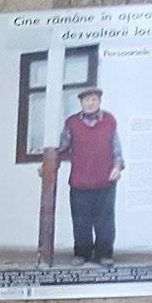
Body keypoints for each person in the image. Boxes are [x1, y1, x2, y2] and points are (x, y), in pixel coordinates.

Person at [58, 87, 124, 267]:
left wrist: (118, 167)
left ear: (99, 101)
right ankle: (82, 254)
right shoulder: (72, 123)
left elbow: (116, 148)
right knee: (81, 221)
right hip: (79, 182)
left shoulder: (109, 120)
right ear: (81, 103)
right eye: (86, 100)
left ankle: (104, 255)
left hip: (105, 181)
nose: (90, 103)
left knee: (105, 221)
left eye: (94, 99)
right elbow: (63, 146)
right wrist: (47, 159)